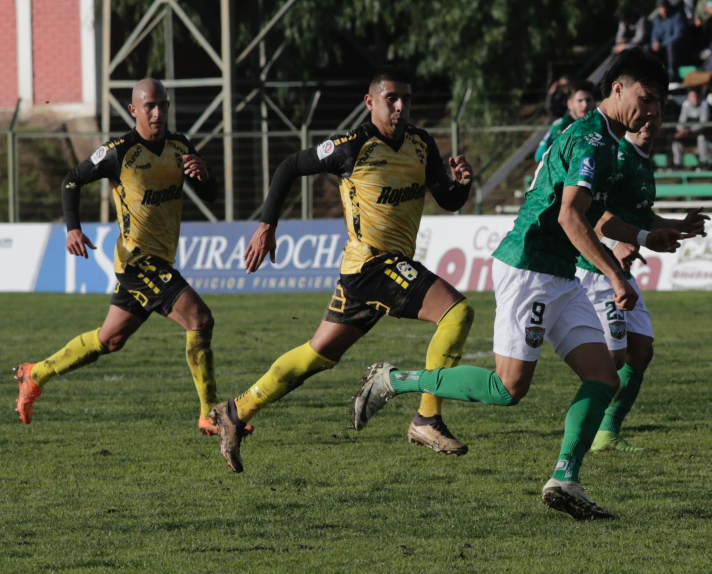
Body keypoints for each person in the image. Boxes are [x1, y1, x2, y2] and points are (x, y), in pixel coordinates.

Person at [349, 49, 688, 521]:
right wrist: (614, 274)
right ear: (617, 89)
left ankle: (565, 479)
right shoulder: (591, 139)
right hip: (529, 265)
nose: (652, 112)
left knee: (604, 376)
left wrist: (651, 234)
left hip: (561, 271)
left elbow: (602, 218)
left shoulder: (610, 141)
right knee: (509, 389)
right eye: (646, 99)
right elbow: (571, 216)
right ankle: (394, 380)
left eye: (660, 104)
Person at [211, 67, 475, 469]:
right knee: (457, 312)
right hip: (373, 264)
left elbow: (448, 199)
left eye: (406, 99)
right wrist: (266, 226)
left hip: (370, 272)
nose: (401, 107)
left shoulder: (422, 144)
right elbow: (288, 167)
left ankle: (236, 411)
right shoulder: (351, 146)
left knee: (318, 353)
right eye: (392, 99)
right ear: (371, 102)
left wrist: (463, 184)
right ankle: (427, 417)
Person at [14, 79, 223, 435]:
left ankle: (36, 374)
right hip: (137, 261)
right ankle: (209, 414)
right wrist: (73, 228)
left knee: (109, 340)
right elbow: (71, 180)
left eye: (163, 105)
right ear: (134, 111)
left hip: (160, 261)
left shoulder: (180, 146)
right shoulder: (119, 152)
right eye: (150, 107)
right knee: (199, 319)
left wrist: (204, 175)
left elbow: (211, 194)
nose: (158, 113)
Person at [577, 108, 708, 453]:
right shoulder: (618, 156)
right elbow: (589, 210)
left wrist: (678, 224)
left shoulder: (642, 160)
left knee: (641, 351)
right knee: (612, 362)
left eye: (657, 117)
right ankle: (581, 432)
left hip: (622, 270)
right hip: (598, 268)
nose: (650, 123)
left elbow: (641, 216)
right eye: (644, 115)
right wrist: (614, 243)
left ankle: (606, 433)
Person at [536, 81, 597, 163]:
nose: (585, 105)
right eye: (580, 101)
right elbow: (539, 156)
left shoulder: (599, 125)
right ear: (570, 104)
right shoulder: (562, 125)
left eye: (588, 100)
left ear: (594, 102)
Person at [672, 88, 711, 169]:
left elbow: (703, 124)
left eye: (696, 96)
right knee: (676, 141)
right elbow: (681, 121)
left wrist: (689, 130)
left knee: (702, 139)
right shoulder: (685, 105)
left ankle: (704, 163)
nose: (695, 98)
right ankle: (678, 165)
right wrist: (681, 130)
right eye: (692, 96)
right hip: (687, 135)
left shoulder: (704, 104)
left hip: (699, 133)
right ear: (688, 97)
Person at [652, 0, 690, 82]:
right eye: (661, 8)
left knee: (671, 46)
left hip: (678, 47)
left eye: (665, 7)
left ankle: (672, 75)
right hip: (662, 47)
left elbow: (678, 35)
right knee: (647, 48)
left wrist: (662, 44)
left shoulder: (677, 17)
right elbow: (654, 35)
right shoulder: (657, 21)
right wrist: (655, 42)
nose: (663, 10)